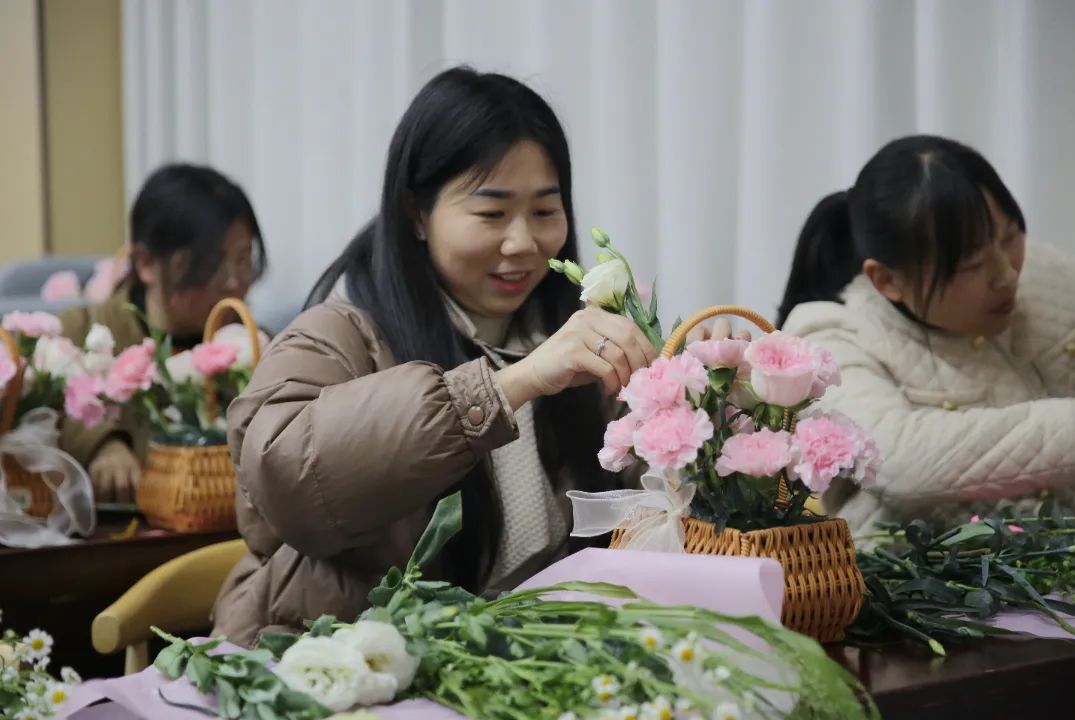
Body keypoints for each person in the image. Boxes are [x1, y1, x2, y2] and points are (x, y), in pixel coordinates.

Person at [211, 67, 742, 645]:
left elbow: (648, 505)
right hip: (342, 665)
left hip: (521, 663)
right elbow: (287, 479)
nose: (523, 243)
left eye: (544, 212)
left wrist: (709, 395)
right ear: (417, 215)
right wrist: (506, 386)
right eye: (491, 214)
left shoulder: (576, 337)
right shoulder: (338, 333)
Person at [778, 134, 1075, 536]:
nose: (1008, 274)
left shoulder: (1048, 275)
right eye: (972, 264)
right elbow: (901, 462)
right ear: (886, 280)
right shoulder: (829, 336)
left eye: (1009, 238)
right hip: (934, 590)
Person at [60, 163, 267, 502]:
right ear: (145, 264)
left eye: (243, 260)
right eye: (208, 265)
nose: (233, 282)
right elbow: (43, 414)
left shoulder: (254, 346)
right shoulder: (81, 334)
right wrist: (103, 444)